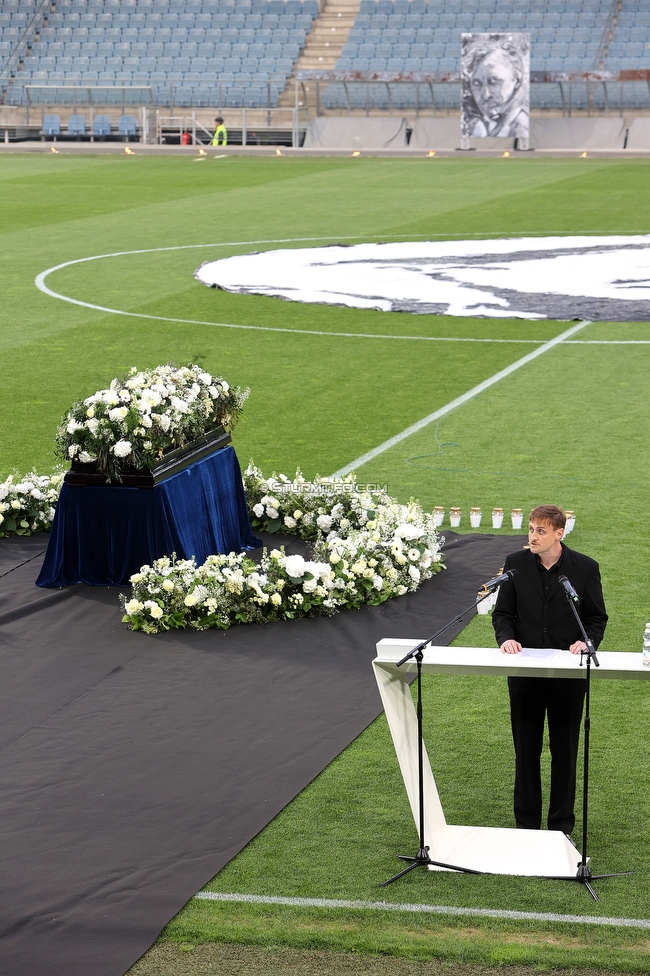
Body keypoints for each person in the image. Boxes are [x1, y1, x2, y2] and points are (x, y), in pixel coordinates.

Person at [492, 505, 608, 836]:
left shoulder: (584, 569)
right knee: (525, 753)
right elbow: (503, 614)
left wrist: (588, 643)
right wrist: (507, 639)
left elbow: (596, 618)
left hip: (567, 680)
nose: (532, 536)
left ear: (559, 533)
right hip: (526, 676)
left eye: (540, 531)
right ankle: (525, 827)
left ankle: (561, 829)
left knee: (565, 755)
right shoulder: (515, 564)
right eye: (530, 529)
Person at [462, 36, 529, 139]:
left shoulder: (521, 129)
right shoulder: (481, 126)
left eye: (494, 82)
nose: (485, 95)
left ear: (517, 81)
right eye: (477, 83)